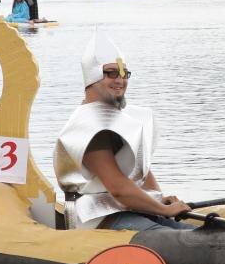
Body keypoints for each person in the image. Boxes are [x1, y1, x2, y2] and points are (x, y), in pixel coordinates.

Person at [54, 30, 192, 231]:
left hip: (129, 210)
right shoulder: (86, 126)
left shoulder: (120, 119)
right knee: (187, 239)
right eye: (111, 73)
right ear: (92, 76)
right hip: (98, 218)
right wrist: (164, 210)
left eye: (123, 73)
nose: (120, 80)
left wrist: (157, 199)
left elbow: (140, 171)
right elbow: (118, 188)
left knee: (199, 234)